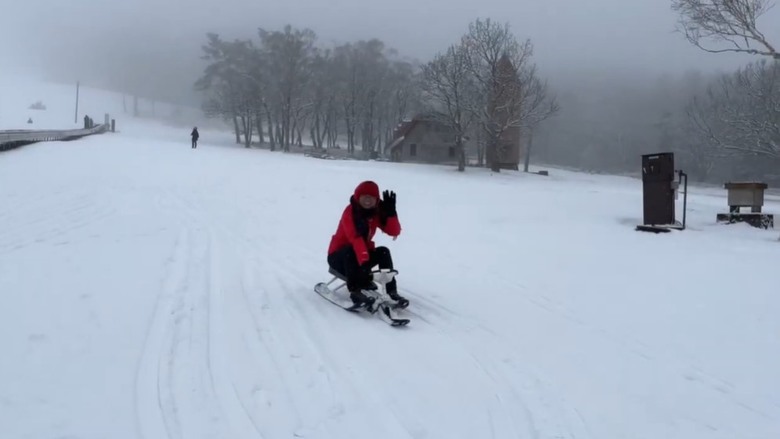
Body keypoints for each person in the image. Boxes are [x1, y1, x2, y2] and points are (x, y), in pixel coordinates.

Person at [327, 180, 409, 308]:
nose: (368, 200)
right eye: (364, 197)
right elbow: (355, 238)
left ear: (376, 199)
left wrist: (391, 214)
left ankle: (392, 292)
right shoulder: (350, 212)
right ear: (357, 197)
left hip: (360, 258)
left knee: (383, 251)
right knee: (351, 251)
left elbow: (393, 231)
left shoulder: (376, 212)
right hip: (339, 258)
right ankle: (355, 292)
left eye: (371, 197)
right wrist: (364, 267)